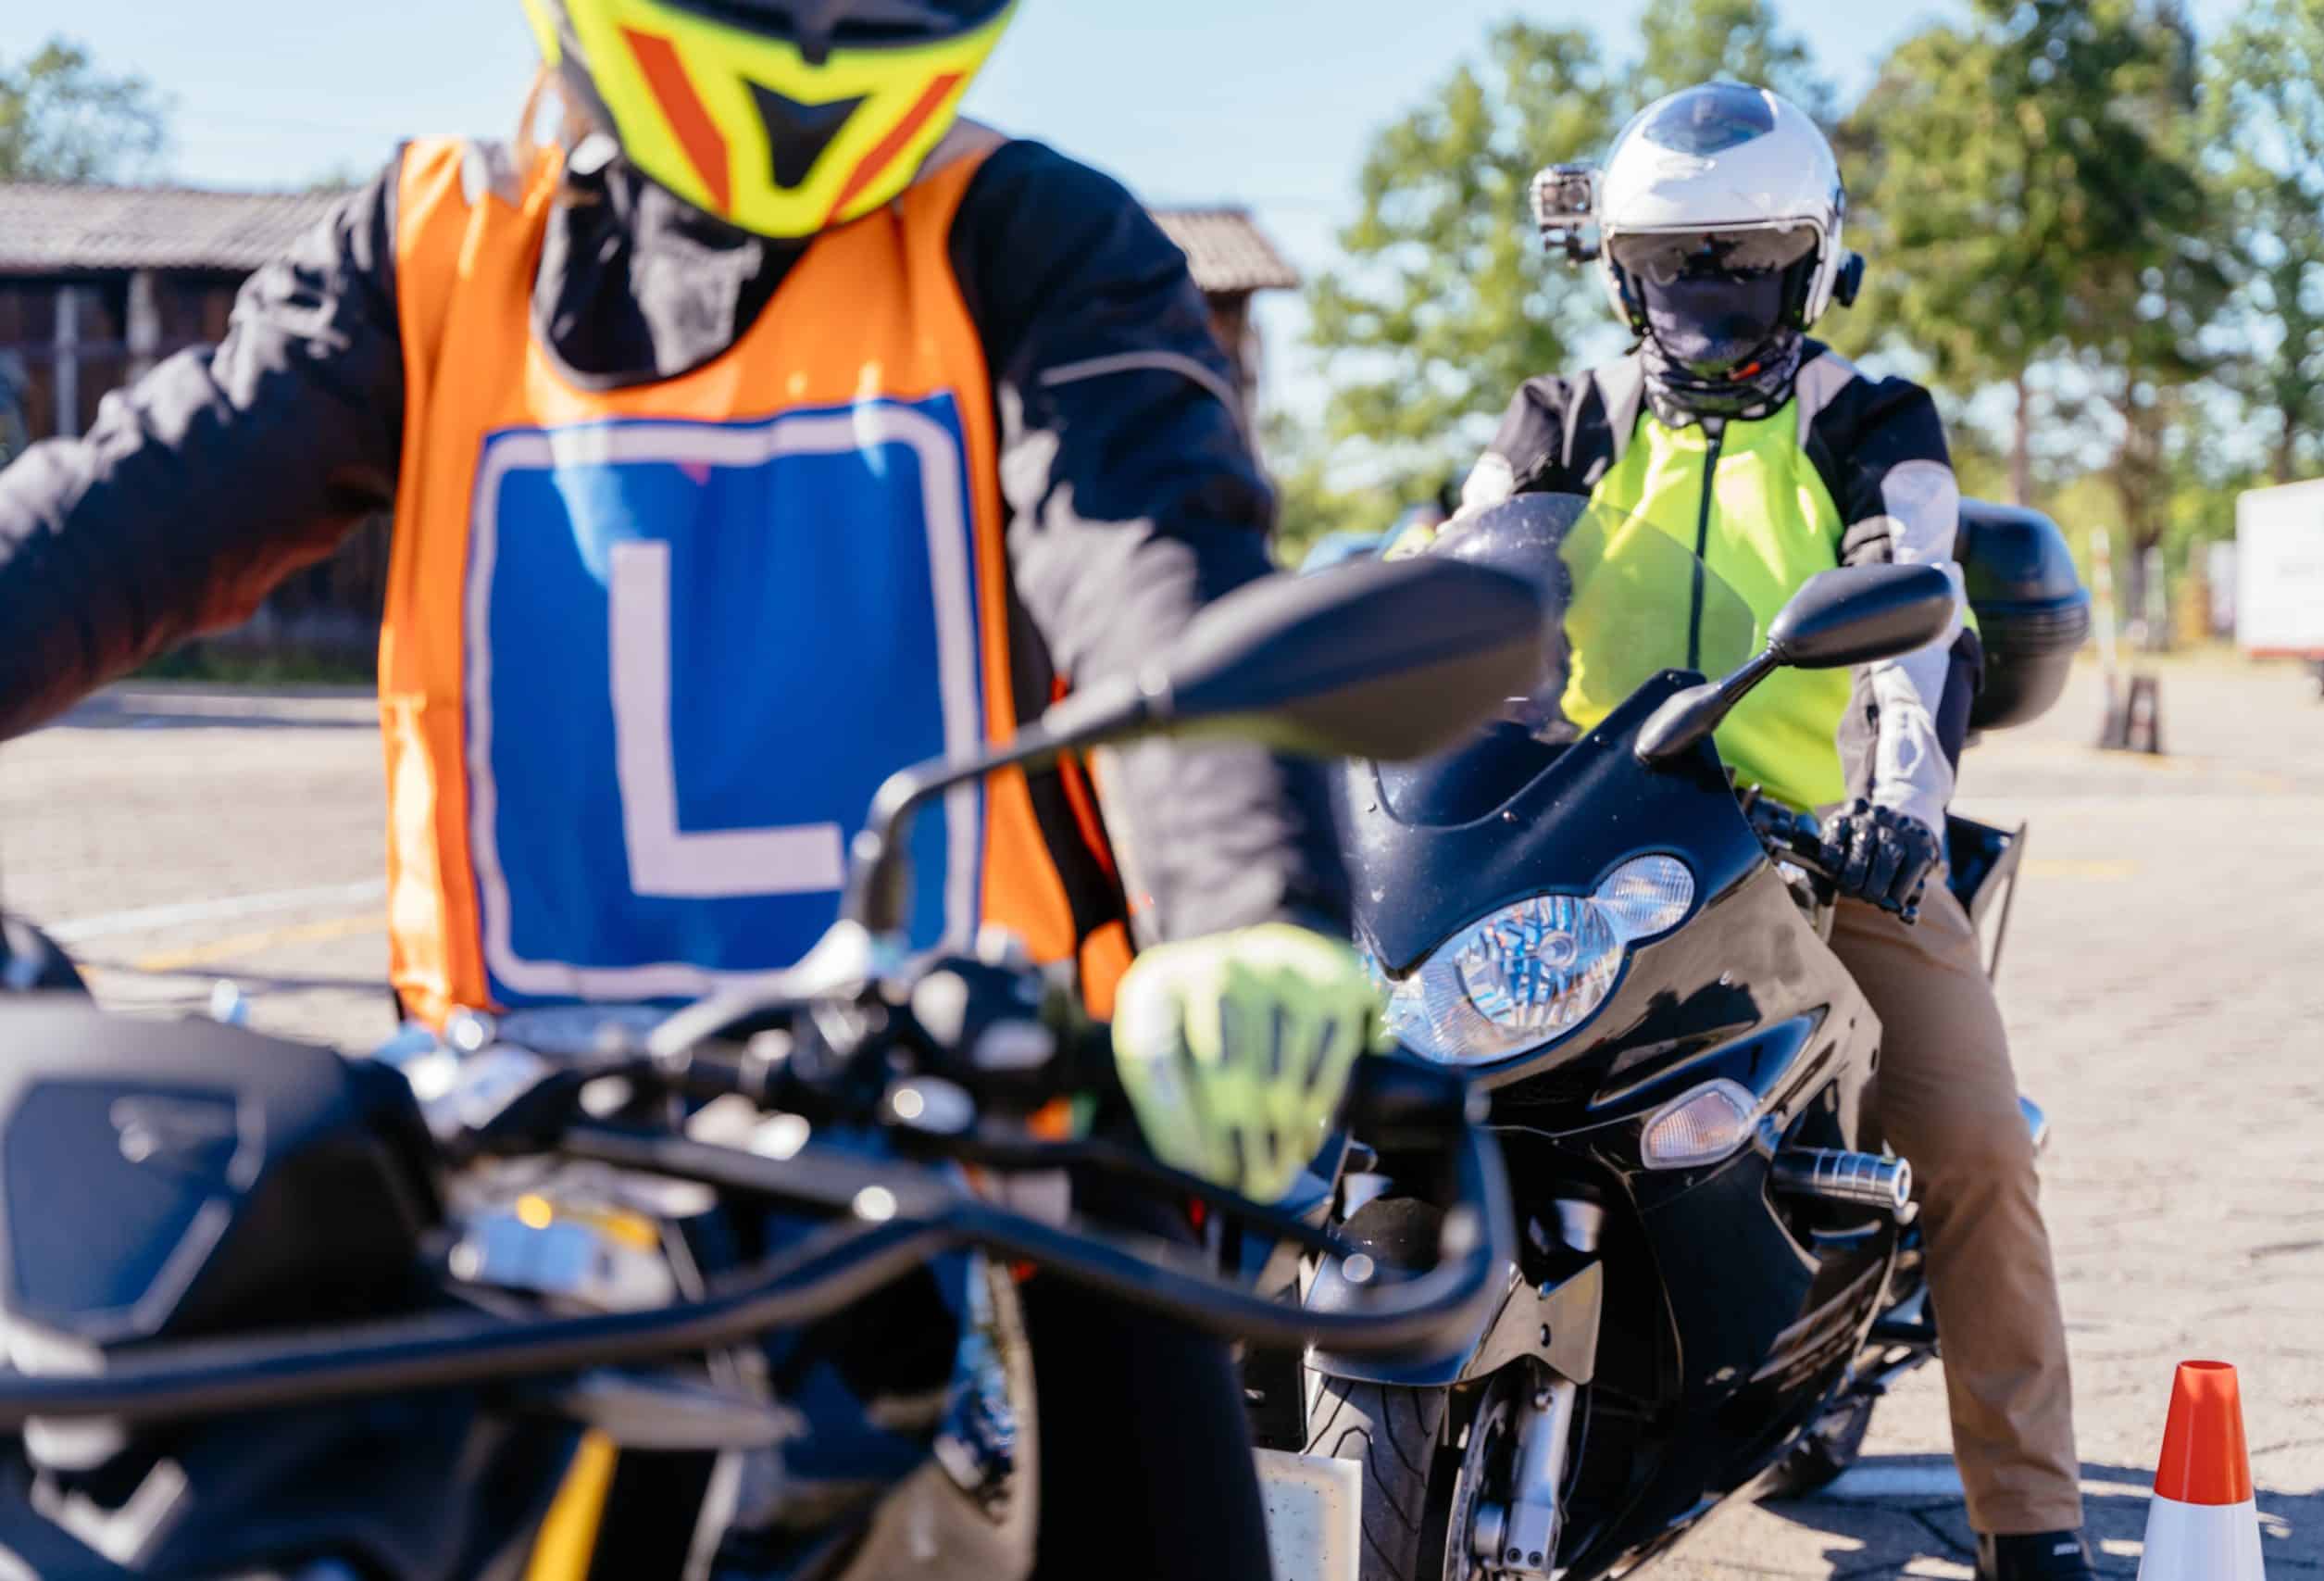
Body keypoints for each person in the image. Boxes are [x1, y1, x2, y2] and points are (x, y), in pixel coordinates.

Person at [0, 2, 1383, 1574]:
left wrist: (1244, 916)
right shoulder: (437, 241)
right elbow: (128, 508)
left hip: (994, 1169)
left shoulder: (1025, 233)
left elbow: (1164, 580)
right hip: (521, 1180)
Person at [1462, 82, 2092, 1581]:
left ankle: (2031, 1525)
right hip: (1593, 838)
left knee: (1975, 1147)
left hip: (1820, 847)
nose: (1705, 297)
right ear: (1623, 269)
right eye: (1676, 264)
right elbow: (1464, 594)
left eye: (1742, 261)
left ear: (1809, 264)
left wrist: (1894, 810)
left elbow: (1914, 618)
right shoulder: (1561, 421)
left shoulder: (1873, 423)